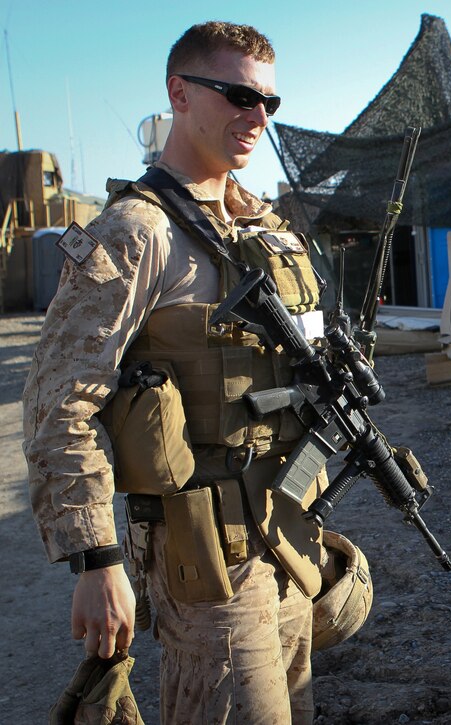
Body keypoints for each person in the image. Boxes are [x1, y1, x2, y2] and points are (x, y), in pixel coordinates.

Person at [24, 22, 328, 724]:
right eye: (238, 95)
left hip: (286, 536)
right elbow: (57, 403)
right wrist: (96, 559)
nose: (257, 117)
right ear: (179, 93)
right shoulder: (137, 233)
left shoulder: (261, 229)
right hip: (207, 561)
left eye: (268, 104)